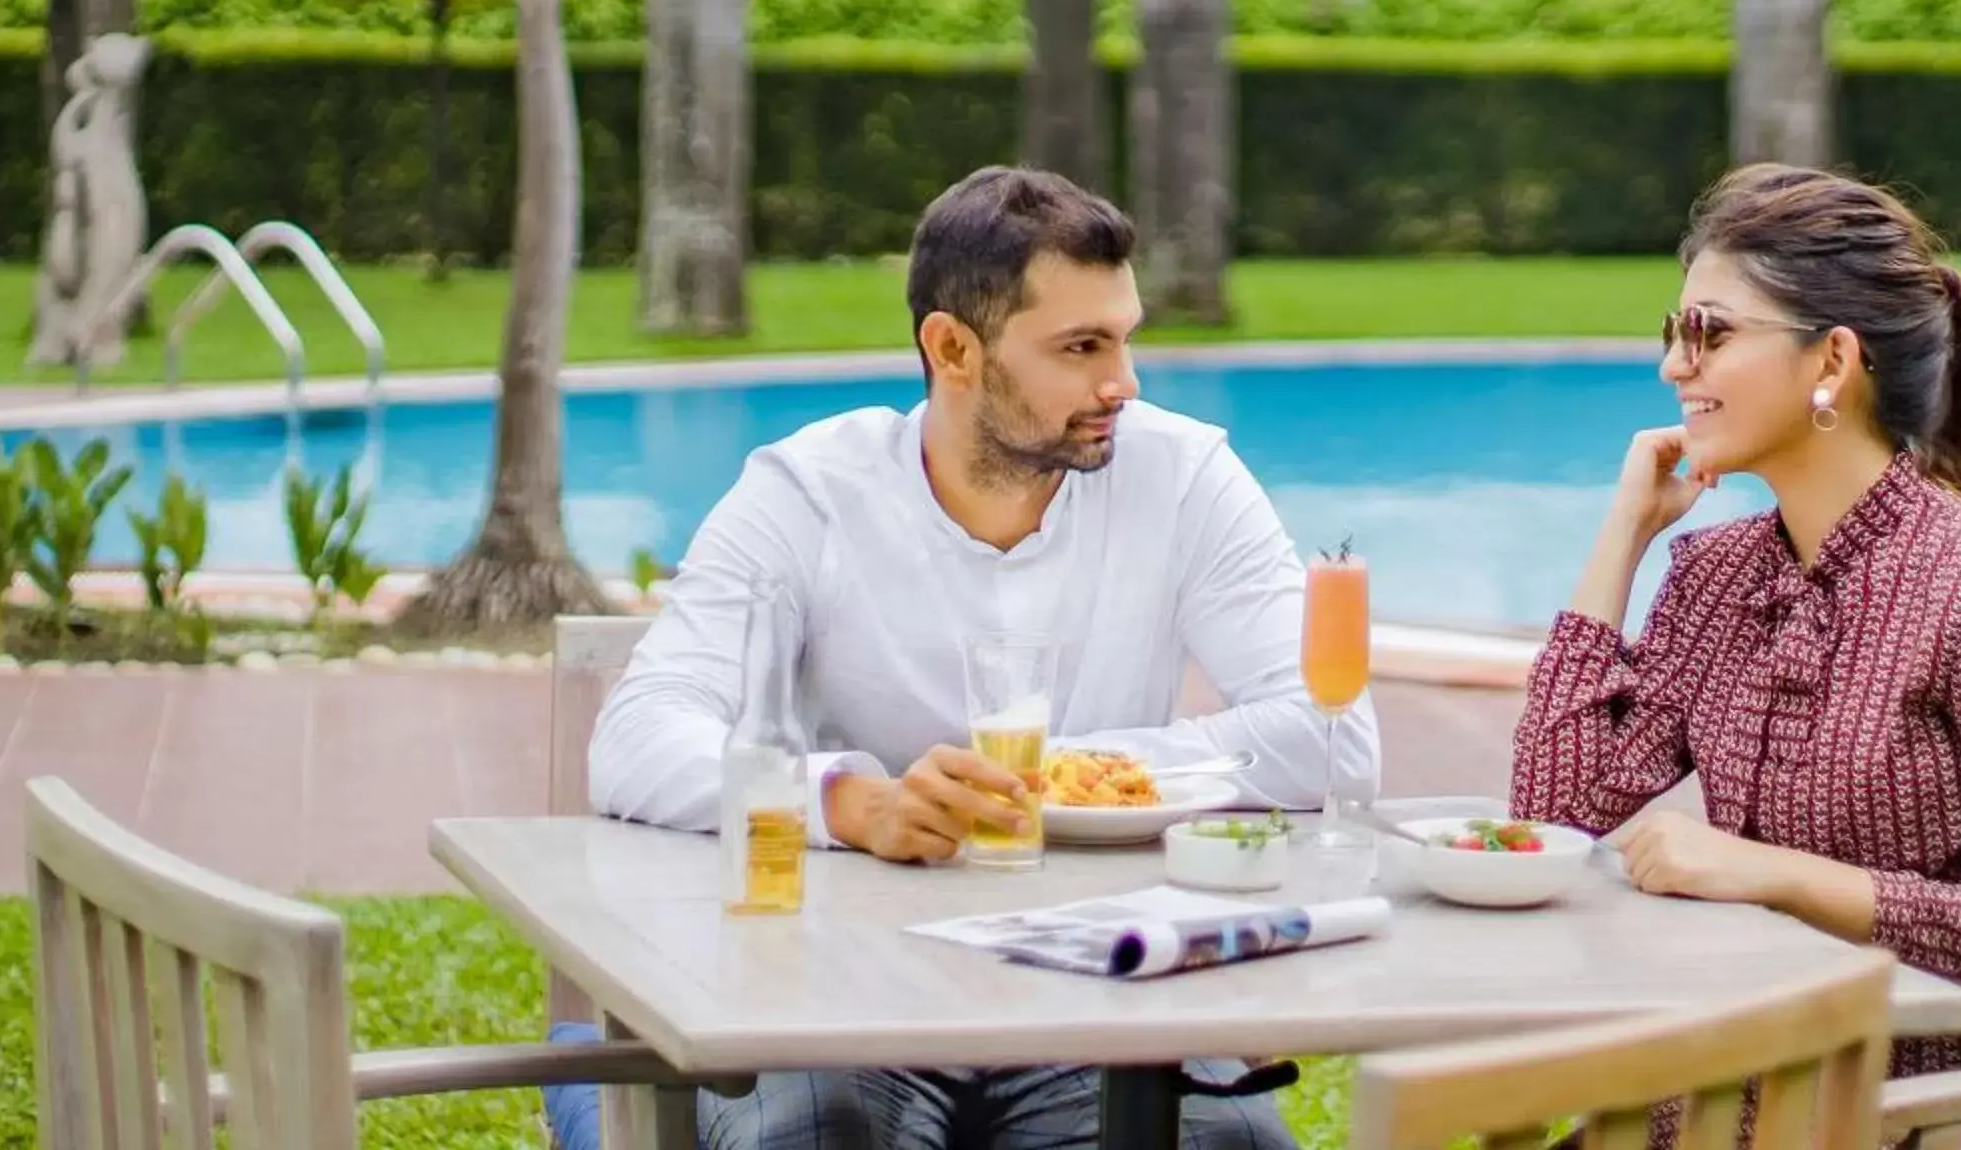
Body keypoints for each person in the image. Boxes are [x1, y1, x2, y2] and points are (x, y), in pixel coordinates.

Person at [563, 165, 1372, 1150]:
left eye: (1124, 339)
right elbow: (640, 737)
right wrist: (858, 805)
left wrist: (1080, 778)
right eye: (1081, 348)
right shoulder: (808, 492)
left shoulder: (1184, 475)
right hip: (838, 988)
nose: (1123, 383)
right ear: (951, 347)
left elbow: (1332, 739)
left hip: (1095, 989)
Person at [1510, 165, 1961, 1150]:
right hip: (1781, 1083)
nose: (1675, 368)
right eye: (1674, 333)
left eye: (1711, 333)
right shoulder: (1718, 575)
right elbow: (1552, 813)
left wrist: (1776, 872)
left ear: (1832, 362)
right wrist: (1622, 535)